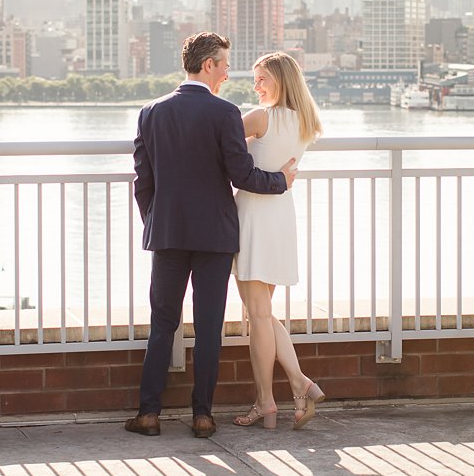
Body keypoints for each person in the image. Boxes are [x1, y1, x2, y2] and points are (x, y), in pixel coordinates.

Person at [126, 32, 299, 439]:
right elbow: (241, 173)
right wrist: (281, 181)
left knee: (162, 323)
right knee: (208, 325)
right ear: (208, 66)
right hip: (215, 234)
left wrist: (155, 219)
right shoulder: (224, 113)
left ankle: (148, 414)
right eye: (223, 64)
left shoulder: (151, 112)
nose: (226, 73)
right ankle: (202, 415)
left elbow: (142, 179)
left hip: (167, 232)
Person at [232, 51, 327, 430]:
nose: (255, 86)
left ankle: (267, 402)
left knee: (258, 315)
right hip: (280, 216)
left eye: (262, 79)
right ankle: (299, 385)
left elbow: (218, 144)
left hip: (254, 215)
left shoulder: (261, 117)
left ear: (281, 80)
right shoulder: (305, 122)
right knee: (264, 313)